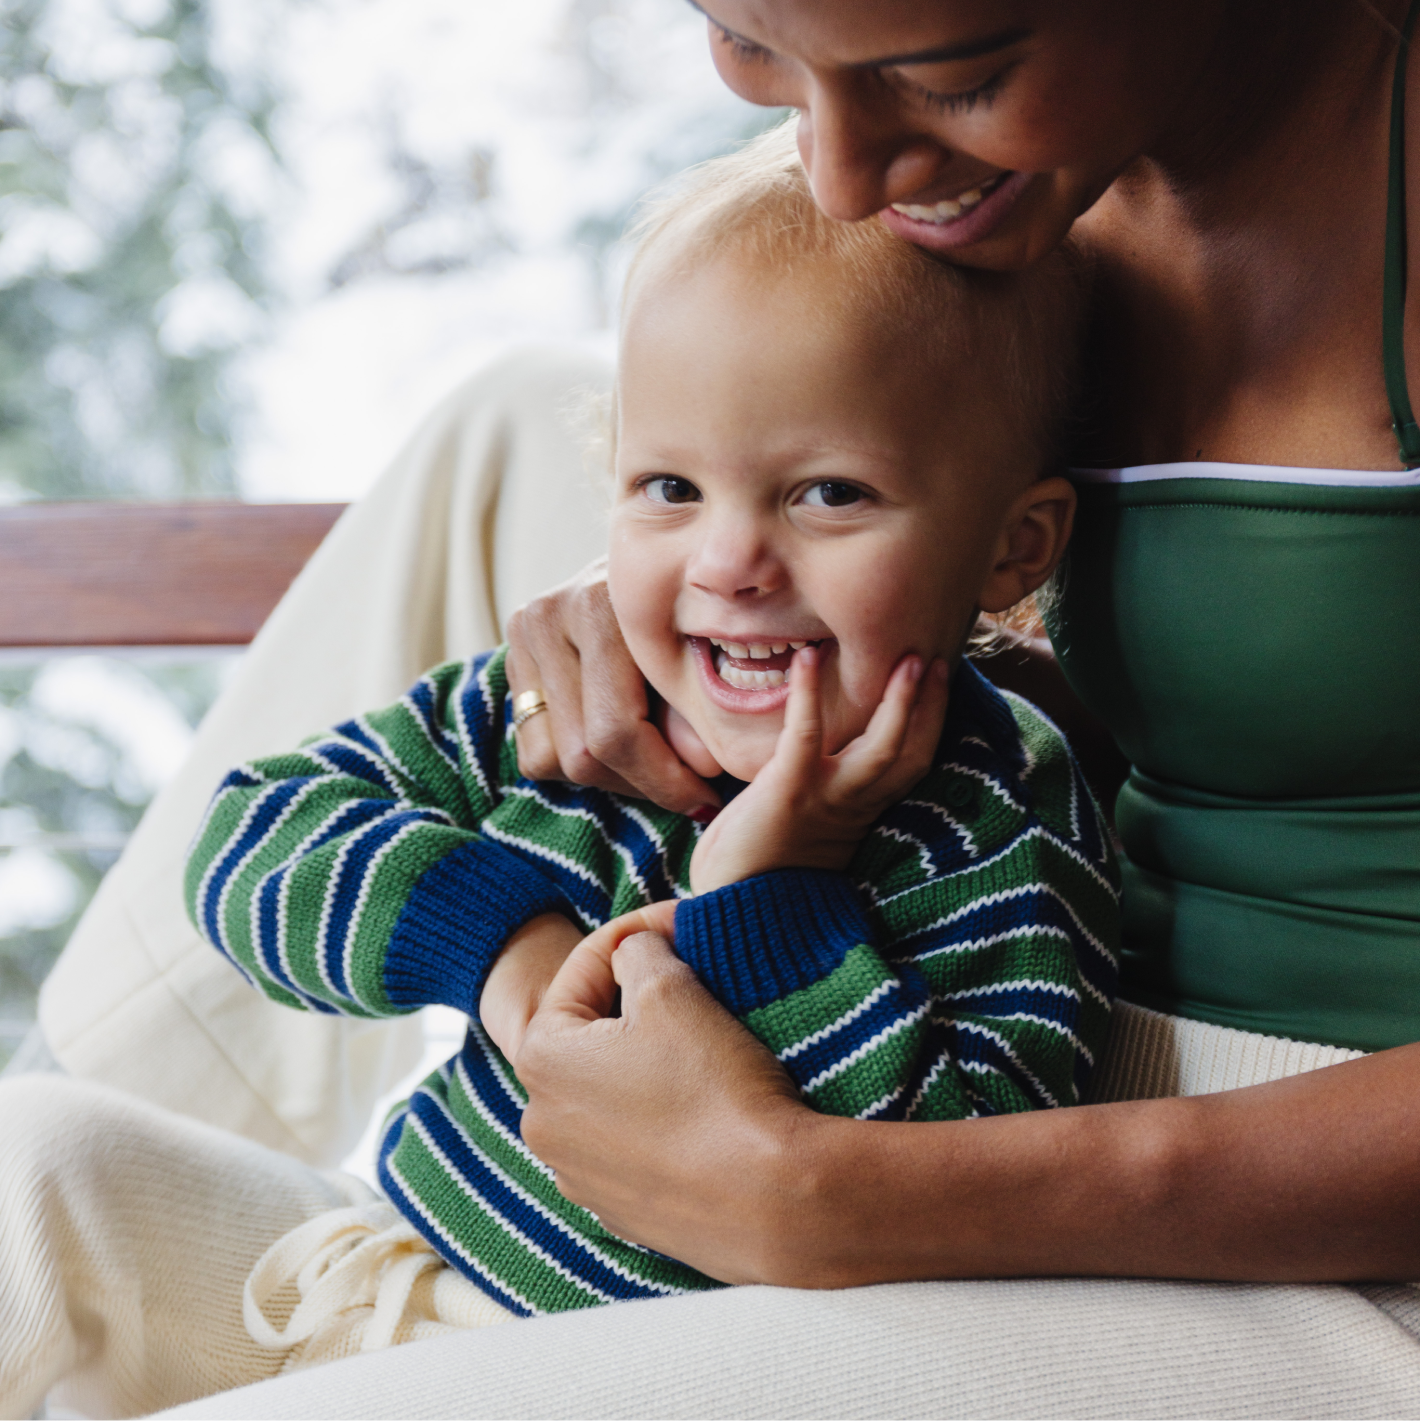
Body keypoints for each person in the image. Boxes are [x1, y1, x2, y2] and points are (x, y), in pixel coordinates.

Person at [10, 1, 1420, 1417]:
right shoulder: (1042, 207)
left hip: (1291, 1196)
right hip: (490, 1231)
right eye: (746, 41)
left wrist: (834, 1181)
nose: (837, 173)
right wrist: (689, 615)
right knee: (513, 416)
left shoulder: (989, 850)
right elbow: (268, 838)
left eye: (956, 76)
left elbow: (959, 1083)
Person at [180, 127, 1115, 1326]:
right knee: (32, 1156)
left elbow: (955, 1182)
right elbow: (253, 838)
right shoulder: (575, 714)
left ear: (1012, 546)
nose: (727, 561)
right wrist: (507, 958)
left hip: (609, 1371)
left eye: (828, 491)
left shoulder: (996, 838)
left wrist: (771, 891)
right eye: (670, 487)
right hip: (374, 1272)